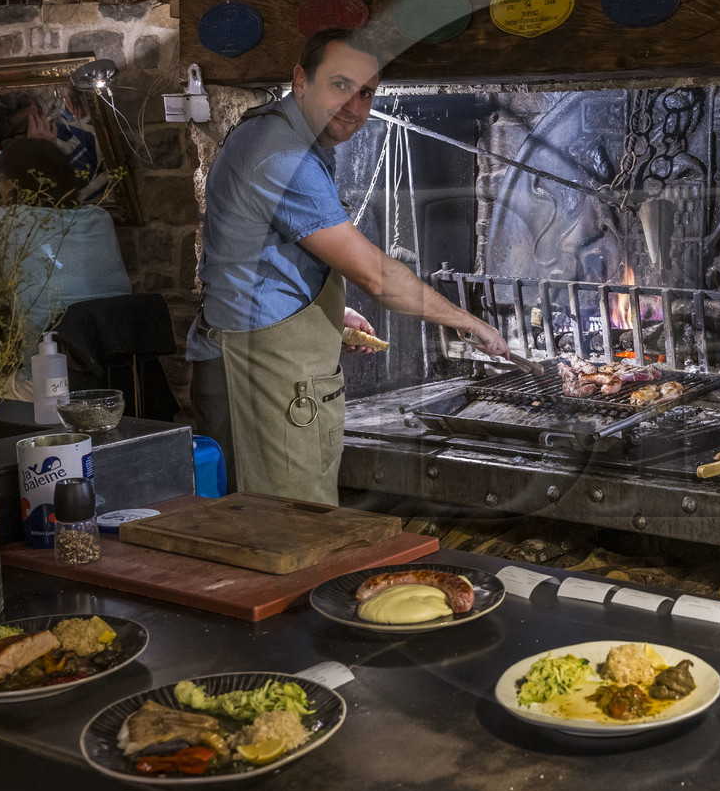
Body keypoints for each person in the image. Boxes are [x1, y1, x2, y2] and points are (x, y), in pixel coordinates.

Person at [188, 27, 508, 504]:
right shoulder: (282, 154)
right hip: (256, 378)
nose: (355, 107)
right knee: (287, 527)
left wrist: (328, 315)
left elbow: (255, 257)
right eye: (340, 85)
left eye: (366, 93)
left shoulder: (281, 135)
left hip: (264, 361)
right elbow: (374, 274)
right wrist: (467, 322)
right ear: (301, 80)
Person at [0, 137, 130, 400]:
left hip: (47, 389)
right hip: (112, 382)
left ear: (9, 184)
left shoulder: (3, 221)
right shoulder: (100, 219)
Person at [0, 89, 107, 204]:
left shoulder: (66, 134)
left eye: (40, 112)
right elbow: (63, 202)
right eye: (33, 124)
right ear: (10, 143)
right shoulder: (6, 175)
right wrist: (45, 153)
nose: (45, 122)